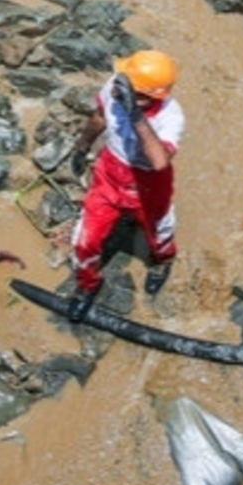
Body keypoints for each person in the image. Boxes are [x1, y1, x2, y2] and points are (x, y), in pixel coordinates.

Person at [65, 50, 185, 323]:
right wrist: (81, 147)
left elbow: (159, 162)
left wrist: (134, 114)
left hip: (149, 183)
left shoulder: (170, 117)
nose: (121, 91)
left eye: (132, 90)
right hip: (110, 173)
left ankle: (161, 263)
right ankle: (88, 285)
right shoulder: (115, 87)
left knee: (160, 233)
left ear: (151, 96)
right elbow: (99, 117)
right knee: (86, 242)